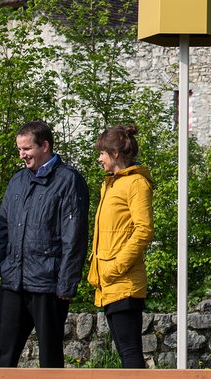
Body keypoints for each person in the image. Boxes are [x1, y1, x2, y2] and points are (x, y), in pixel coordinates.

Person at [0, 120, 90, 368]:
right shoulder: (17, 181)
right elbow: (2, 231)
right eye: (19, 149)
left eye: (27, 149)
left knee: (49, 357)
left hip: (48, 284)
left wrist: (66, 284)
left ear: (45, 146)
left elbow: (74, 237)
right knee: (0, 352)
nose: (22, 155)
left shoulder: (68, 181)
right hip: (13, 280)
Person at [87, 124, 154, 369]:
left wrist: (116, 266)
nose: (99, 158)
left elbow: (144, 230)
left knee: (131, 355)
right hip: (109, 283)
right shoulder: (111, 184)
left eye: (102, 153)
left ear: (115, 154)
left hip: (123, 282)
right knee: (126, 355)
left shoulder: (136, 183)